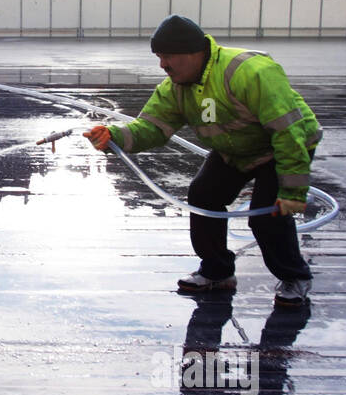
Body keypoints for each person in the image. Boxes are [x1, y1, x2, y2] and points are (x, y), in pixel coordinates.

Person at [84, 15, 321, 307]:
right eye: (159, 57)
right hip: (235, 151)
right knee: (203, 195)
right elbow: (151, 128)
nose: (163, 65)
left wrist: (292, 192)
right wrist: (113, 136)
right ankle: (217, 272)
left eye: (168, 56)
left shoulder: (249, 71)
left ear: (193, 53)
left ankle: (295, 277)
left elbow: (288, 132)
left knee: (266, 214)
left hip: (281, 146)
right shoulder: (175, 89)